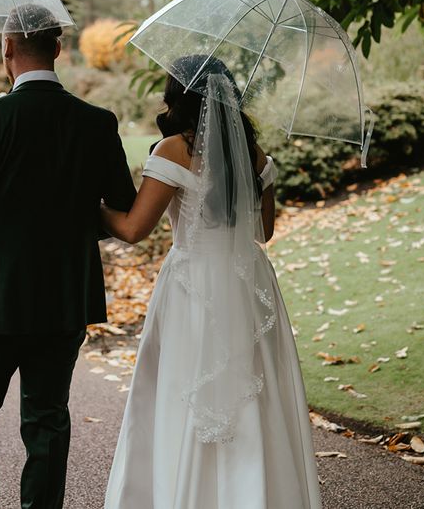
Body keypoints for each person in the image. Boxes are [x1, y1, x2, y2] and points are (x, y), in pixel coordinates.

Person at [0, 3, 137, 509]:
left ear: (8, 48)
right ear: (58, 49)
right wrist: (68, 219)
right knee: (46, 421)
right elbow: (122, 207)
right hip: (63, 300)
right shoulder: (96, 122)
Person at [102, 55, 322, 509]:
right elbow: (264, 231)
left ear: (180, 97)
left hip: (193, 285)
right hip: (248, 281)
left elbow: (130, 229)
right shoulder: (253, 153)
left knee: (187, 389)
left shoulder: (172, 152)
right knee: (253, 398)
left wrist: (88, 204)